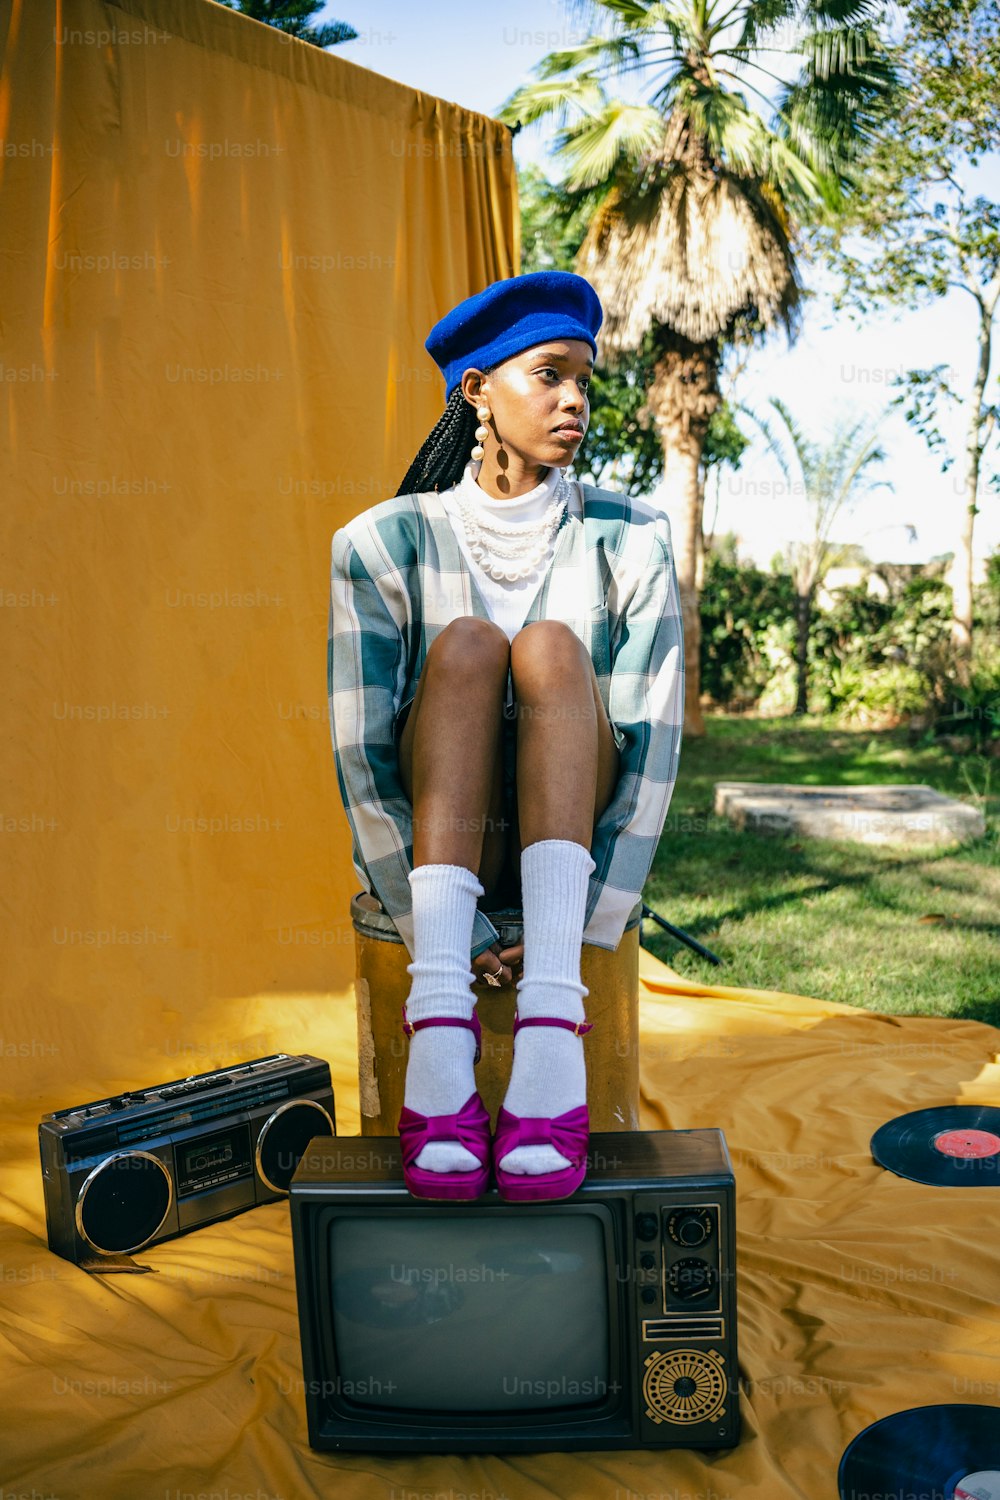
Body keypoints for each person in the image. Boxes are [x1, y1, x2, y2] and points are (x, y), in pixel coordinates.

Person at [328, 270, 684, 1204]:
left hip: (569, 858)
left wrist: (596, 913)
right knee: (471, 646)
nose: (575, 399)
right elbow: (361, 753)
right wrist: (440, 922)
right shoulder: (378, 543)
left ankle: (552, 1036)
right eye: (548, 374)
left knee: (554, 651)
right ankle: (439, 1021)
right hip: (445, 861)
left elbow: (653, 746)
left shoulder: (632, 537)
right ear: (476, 388)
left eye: (585, 380)